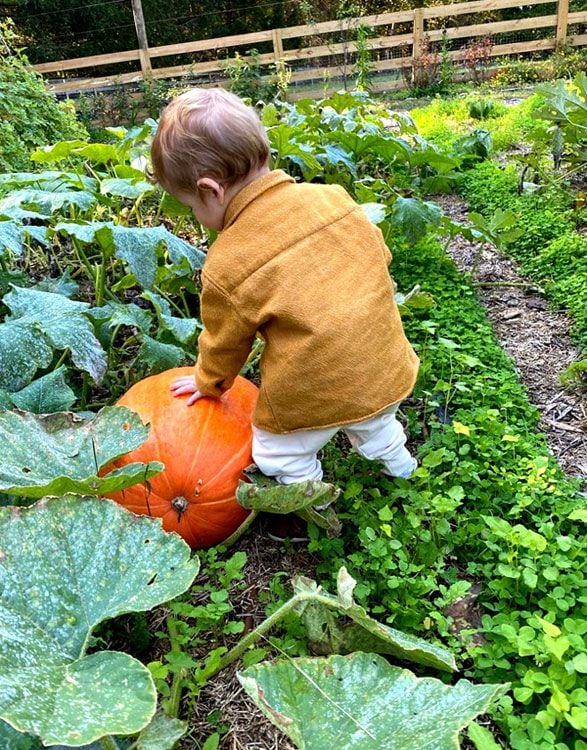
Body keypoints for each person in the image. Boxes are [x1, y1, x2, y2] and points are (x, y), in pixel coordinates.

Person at [150, 87, 419, 488]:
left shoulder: (228, 262)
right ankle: (404, 471)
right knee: (377, 424)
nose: (195, 215)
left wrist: (208, 381)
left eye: (191, 206)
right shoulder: (334, 198)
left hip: (316, 391)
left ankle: (312, 500)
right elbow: (380, 255)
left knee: (278, 452)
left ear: (211, 190)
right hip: (386, 367)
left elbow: (225, 344)